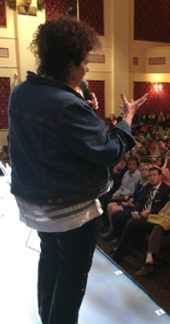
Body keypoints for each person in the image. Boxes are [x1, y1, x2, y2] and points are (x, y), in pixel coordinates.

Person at [8, 17, 149, 324]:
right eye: (84, 62)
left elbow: (56, 142)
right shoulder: (66, 105)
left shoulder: (20, 92)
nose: (87, 69)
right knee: (71, 284)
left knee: (50, 264)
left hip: (35, 204)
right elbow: (108, 152)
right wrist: (126, 119)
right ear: (70, 63)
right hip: (69, 210)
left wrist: (83, 106)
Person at [112, 184, 170, 277]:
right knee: (132, 223)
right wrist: (165, 218)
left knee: (158, 227)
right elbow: (161, 213)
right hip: (157, 222)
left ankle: (149, 261)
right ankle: (119, 251)